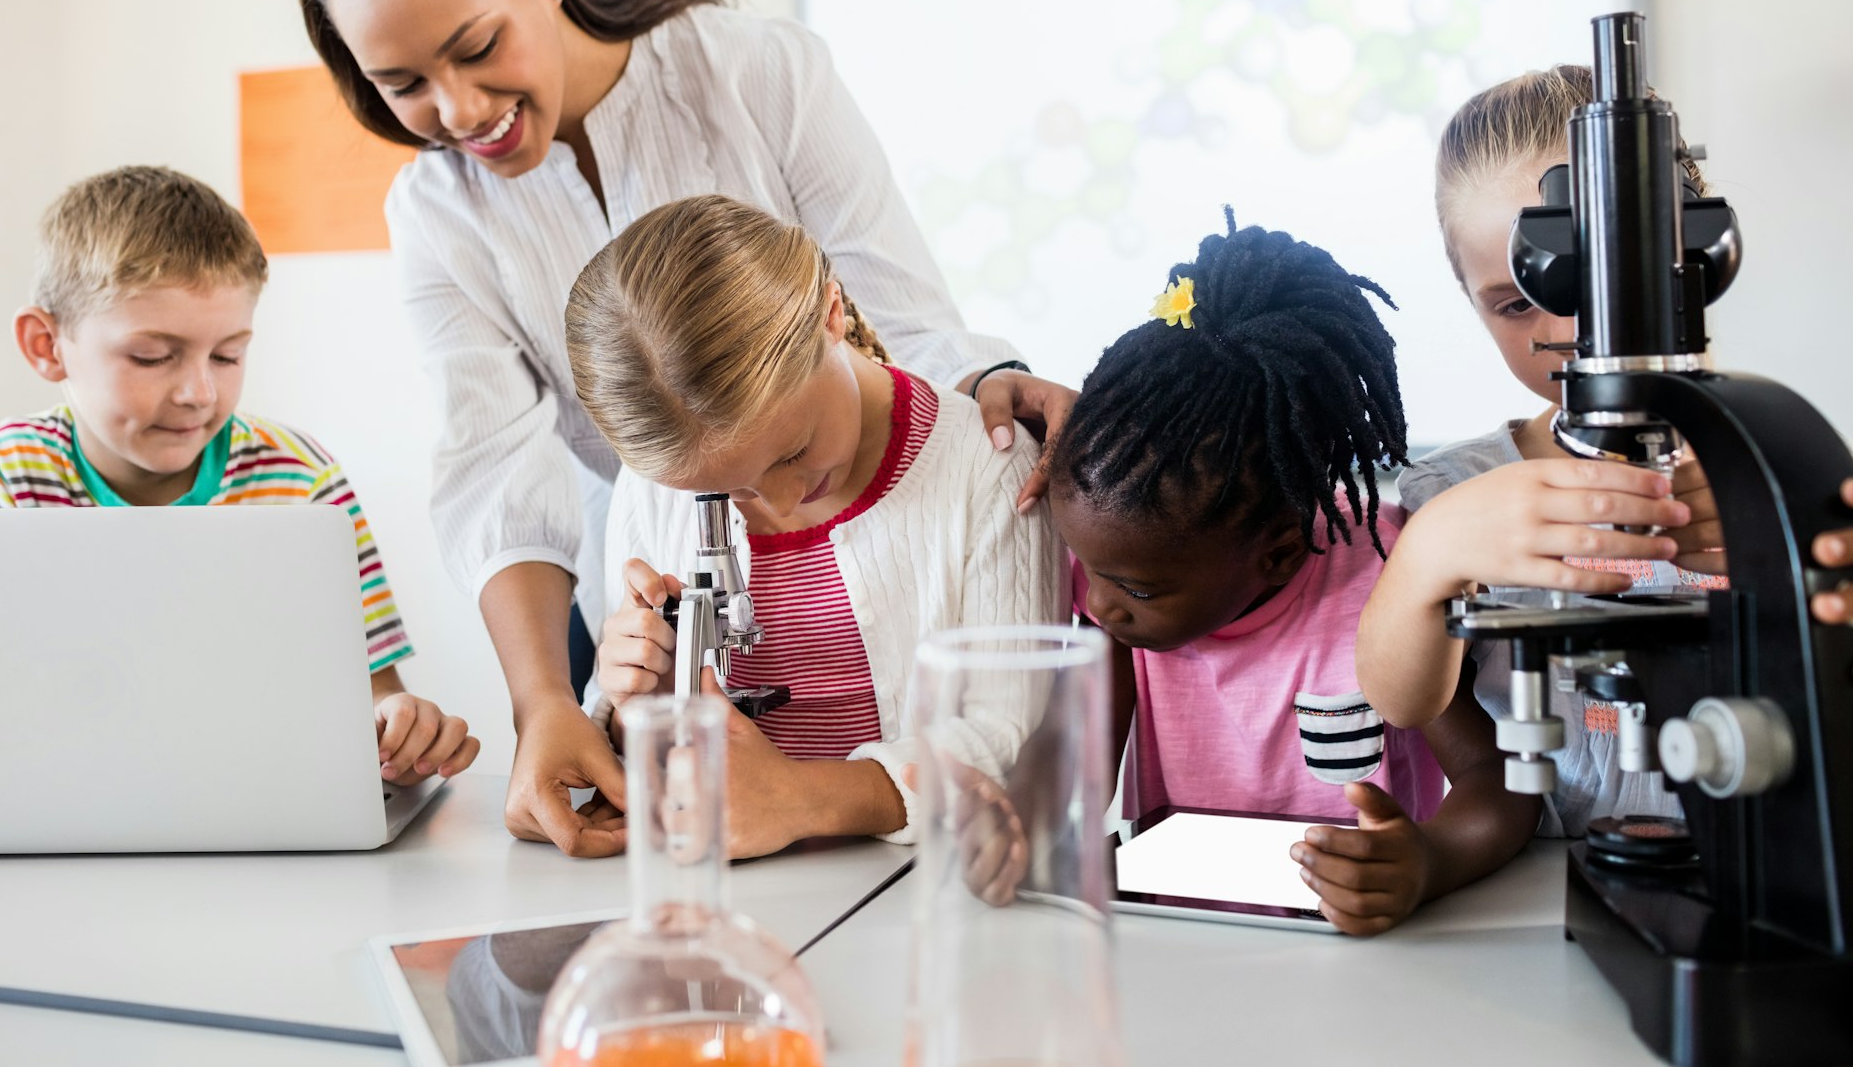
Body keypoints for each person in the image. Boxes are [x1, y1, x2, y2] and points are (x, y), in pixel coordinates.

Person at [295, 0, 1072, 855]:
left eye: (477, 48)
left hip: (860, 553)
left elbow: (903, 311)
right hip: (646, 563)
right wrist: (544, 707)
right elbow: (494, 471)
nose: (460, 108)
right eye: (402, 85)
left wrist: (993, 390)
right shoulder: (435, 211)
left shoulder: (751, 72)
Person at [1045, 213, 1540, 936]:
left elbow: (1497, 785)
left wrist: (1427, 860)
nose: (1098, 603)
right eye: (1087, 568)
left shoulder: (1380, 583)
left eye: (1136, 590)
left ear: (1276, 554)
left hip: (1347, 945)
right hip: (1178, 938)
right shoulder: (1129, 579)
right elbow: (1073, 759)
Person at [564, 195, 1067, 856]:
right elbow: (629, 732)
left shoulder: (985, 468)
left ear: (831, 313)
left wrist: (803, 801)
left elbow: (1003, 735)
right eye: (725, 490)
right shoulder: (652, 488)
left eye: (794, 452)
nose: (779, 499)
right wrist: (639, 708)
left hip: (922, 888)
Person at [0, 166, 480, 786]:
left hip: (256, 789)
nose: (199, 392)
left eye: (228, 355)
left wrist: (397, 727)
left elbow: (372, 692)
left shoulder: (300, 478)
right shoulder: (16, 468)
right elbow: (2, 686)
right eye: (152, 357)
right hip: (78, 788)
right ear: (47, 347)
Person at [1355, 67, 1735, 837]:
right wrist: (1433, 551)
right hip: (1538, 888)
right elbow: (1403, 699)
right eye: (1516, 301)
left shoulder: (1762, 457)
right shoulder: (1456, 490)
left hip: (1750, 867)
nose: (1563, 327)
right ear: (1471, 299)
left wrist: (1784, 543)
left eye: (1590, 283)